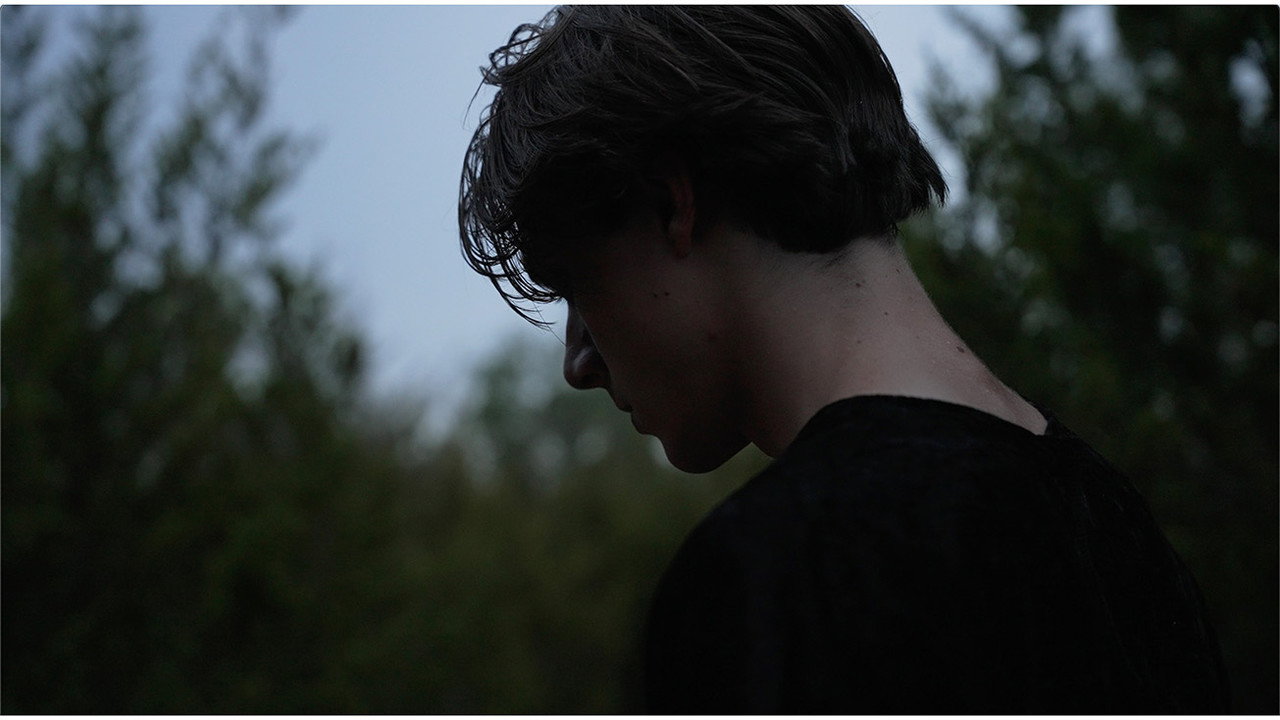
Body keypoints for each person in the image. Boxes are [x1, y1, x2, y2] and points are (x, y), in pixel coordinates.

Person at [458, 6, 1229, 713]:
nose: (578, 363)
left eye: (576, 282)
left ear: (670, 204)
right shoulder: (1118, 531)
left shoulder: (776, 575)